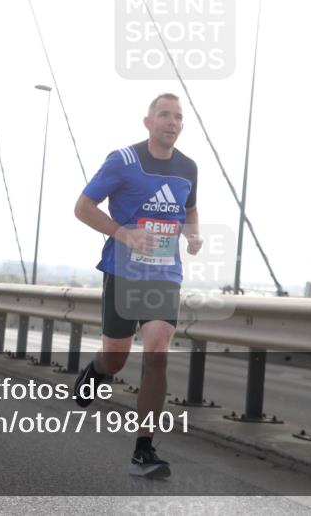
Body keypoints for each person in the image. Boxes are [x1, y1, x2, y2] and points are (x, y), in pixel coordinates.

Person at [72, 93, 202, 478]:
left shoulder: (188, 168)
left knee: (158, 352)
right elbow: (83, 207)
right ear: (148, 122)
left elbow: (190, 209)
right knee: (117, 358)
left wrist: (193, 235)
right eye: (164, 115)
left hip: (164, 275)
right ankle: (98, 370)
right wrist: (124, 235)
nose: (172, 122)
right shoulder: (123, 161)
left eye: (178, 117)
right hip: (124, 273)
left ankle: (143, 449)